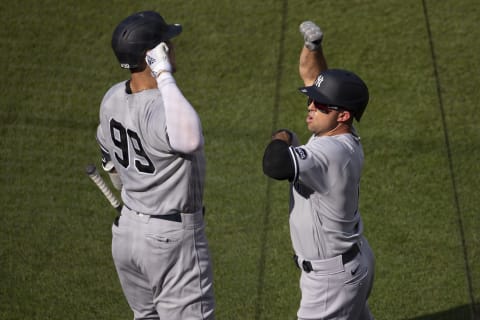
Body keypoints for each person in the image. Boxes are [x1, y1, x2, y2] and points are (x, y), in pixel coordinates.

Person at [95, 11, 215, 319]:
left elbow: (109, 162)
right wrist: (163, 73)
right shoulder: (163, 110)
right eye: (167, 44)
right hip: (169, 241)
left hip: (128, 234)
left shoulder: (111, 98)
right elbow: (189, 138)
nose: (173, 48)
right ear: (153, 55)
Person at [262, 21, 375, 320]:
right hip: (349, 262)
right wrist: (314, 47)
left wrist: (282, 136)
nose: (311, 106)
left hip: (330, 282)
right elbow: (315, 77)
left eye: (321, 105)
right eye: (311, 99)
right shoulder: (337, 134)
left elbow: (275, 164)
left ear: (344, 115)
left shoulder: (329, 152)